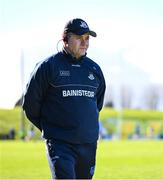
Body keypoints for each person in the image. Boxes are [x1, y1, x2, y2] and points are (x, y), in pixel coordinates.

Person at [22, 18, 106, 179]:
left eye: (87, 38)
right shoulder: (47, 67)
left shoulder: (94, 69)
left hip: (88, 144)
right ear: (66, 39)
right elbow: (30, 106)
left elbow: (97, 105)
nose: (85, 43)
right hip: (60, 144)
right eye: (79, 38)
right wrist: (53, 130)